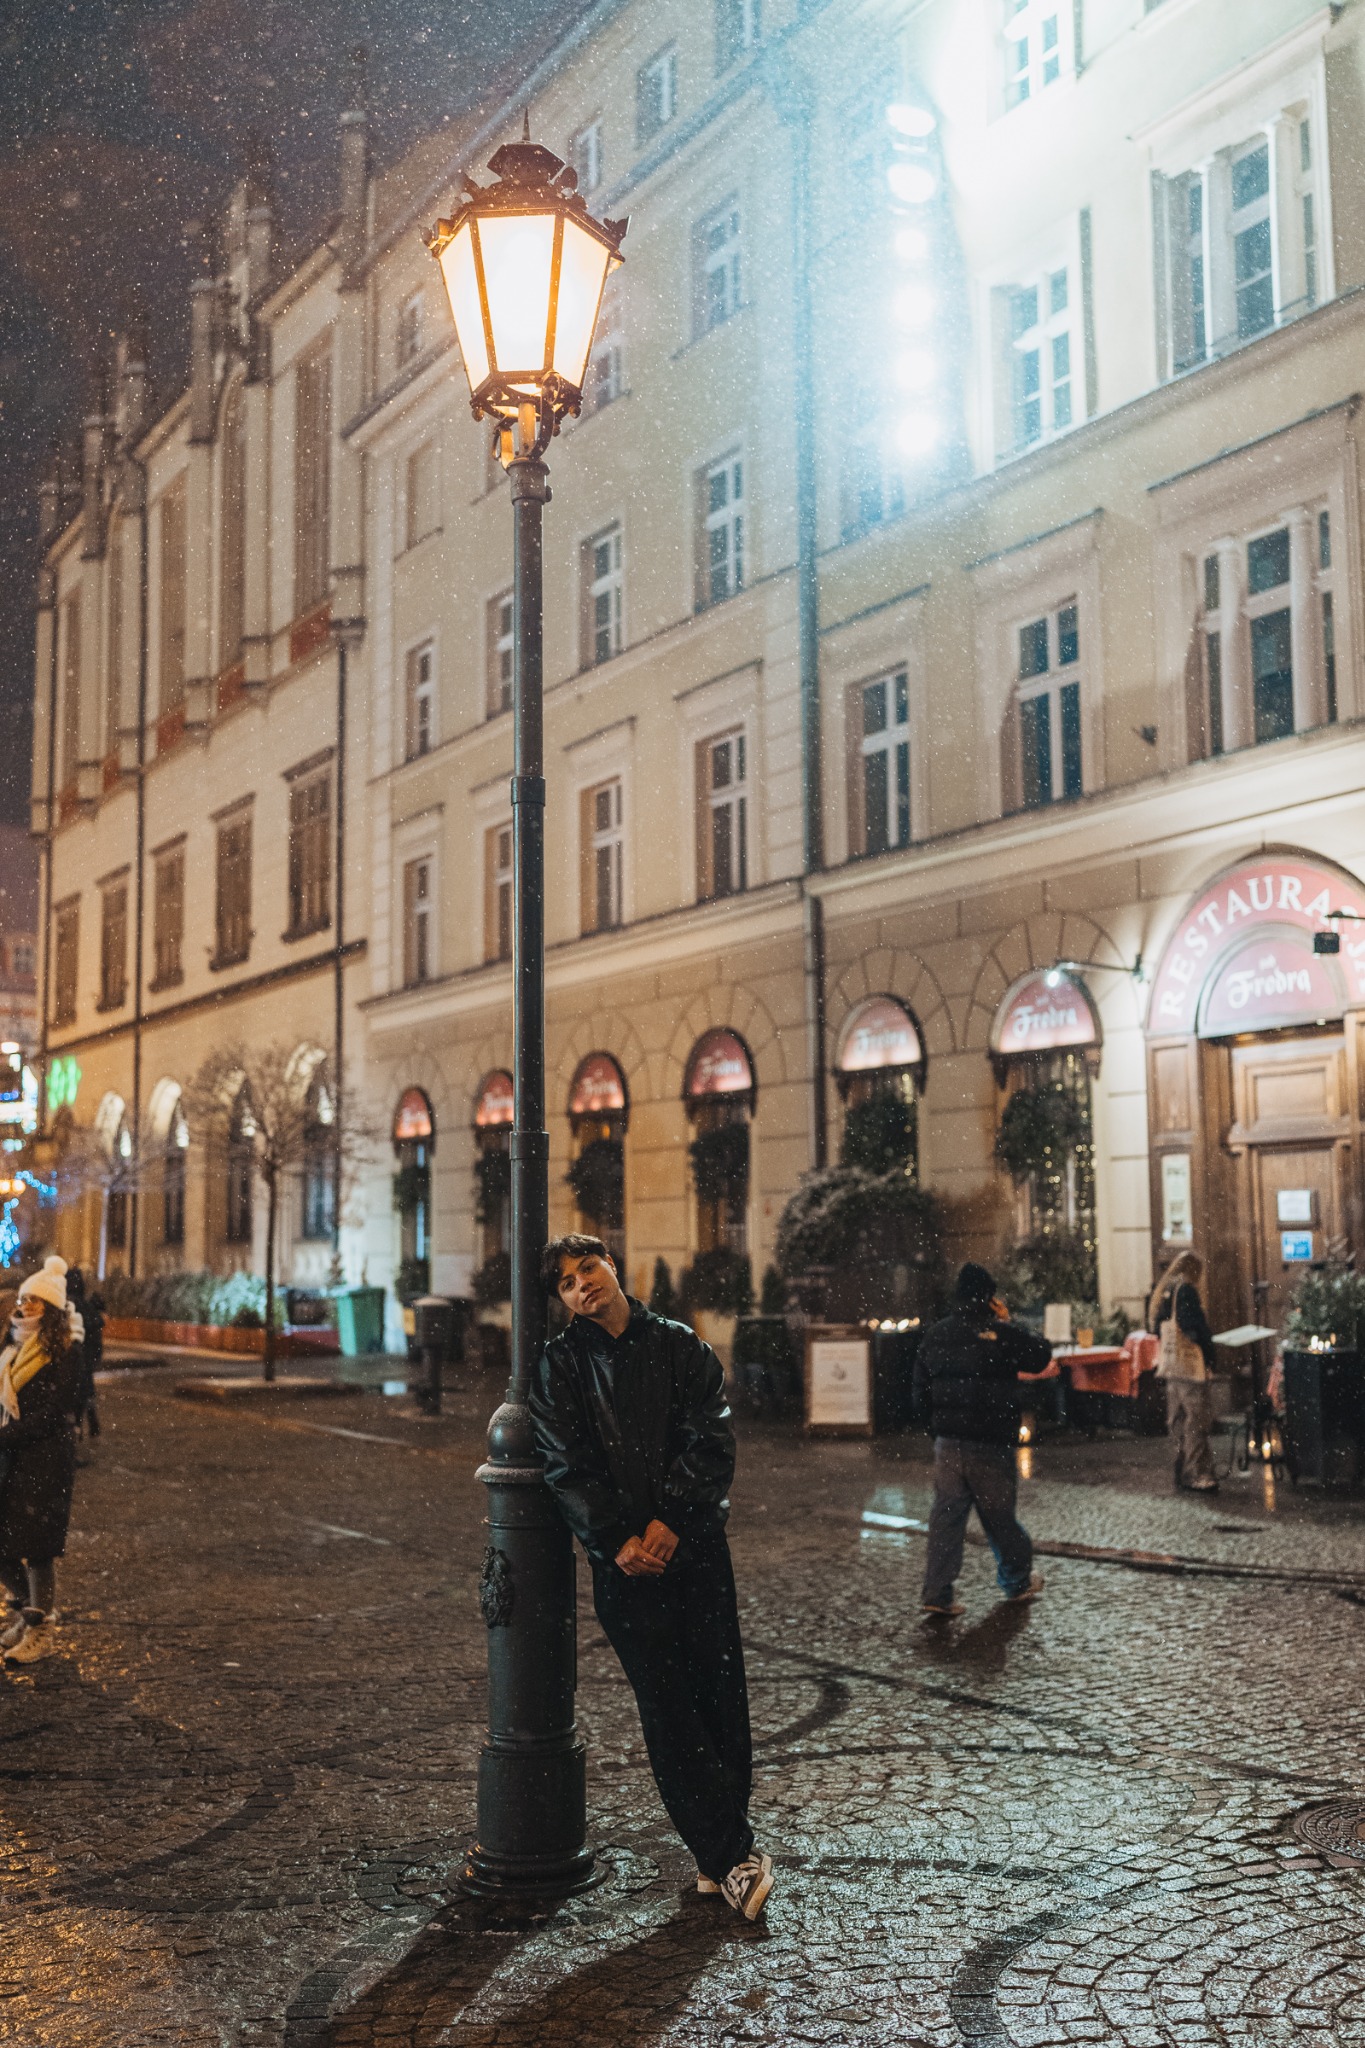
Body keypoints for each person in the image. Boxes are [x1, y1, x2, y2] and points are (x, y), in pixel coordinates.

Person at [529, 1232, 772, 1920]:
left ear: (611, 1265)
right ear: (563, 1301)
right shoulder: (559, 1364)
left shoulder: (679, 1345)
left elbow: (711, 1437)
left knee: (720, 1700)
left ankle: (716, 1856)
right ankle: (731, 1856)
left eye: (588, 1268)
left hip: (696, 1555)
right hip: (626, 1570)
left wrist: (673, 1520)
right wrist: (615, 1538)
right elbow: (565, 1464)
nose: (583, 1284)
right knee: (669, 1711)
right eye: (568, 1283)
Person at [912, 1262, 1051, 1617]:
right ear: (989, 1298)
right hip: (989, 1441)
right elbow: (1040, 1356)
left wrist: (937, 1429)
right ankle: (1016, 1581)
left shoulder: (936, 1334)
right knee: (1000, 1518)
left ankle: (937, 1592)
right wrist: (1008, 1322)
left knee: (946, 1518)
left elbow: (919, 1390)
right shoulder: (999, 1334)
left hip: (948, 1443)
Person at [0, 1256, 85, 1665]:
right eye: (22, 1298)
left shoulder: (66, 1349)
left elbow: (56, 1412)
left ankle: (40, 1628)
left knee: (36, 1546)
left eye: (34, 1299)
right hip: (11, 1455)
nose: (25, 1305)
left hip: (46, 1457)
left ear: (50, 1307)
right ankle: (26, 1609)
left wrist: (6, 1436)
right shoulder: (12, 1345)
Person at [1148, 1249, 1218, 1493]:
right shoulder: (1186, 1290)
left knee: (1178, 1419)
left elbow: (1157, 1327)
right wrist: (1209, 1354)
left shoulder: (1165, 1290)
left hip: (1172, 1366)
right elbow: (1193, 1327)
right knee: (1196, 1420)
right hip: (1189, 1367)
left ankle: (1180, 1470)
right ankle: (1196, 1473)